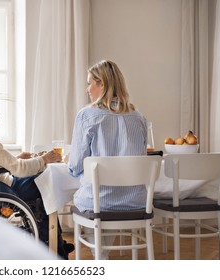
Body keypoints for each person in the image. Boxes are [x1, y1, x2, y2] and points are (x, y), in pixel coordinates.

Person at [0, 92, 74, 259]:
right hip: (2, 191)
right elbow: (19, 169)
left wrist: (21, 159)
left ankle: (56, 244)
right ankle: (54, 248)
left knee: (41, 180)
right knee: (47, 181)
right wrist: (45, 159)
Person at [67, 60, 148, 259]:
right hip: (135, 202)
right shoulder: (138, 117)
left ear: (101, 84)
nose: (87, 89)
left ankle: (100, 257)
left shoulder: (87, 115)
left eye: (89, 84)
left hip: (100, 203)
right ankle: (102, 255)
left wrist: (73, 163)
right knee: (107, 197)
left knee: (94, 198)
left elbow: (76, 166)